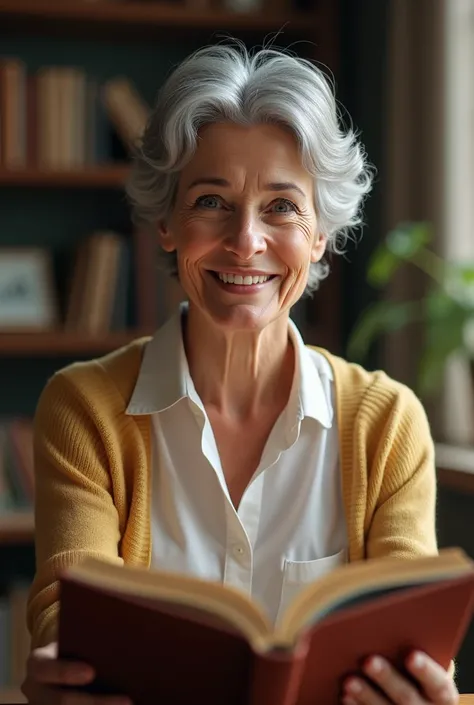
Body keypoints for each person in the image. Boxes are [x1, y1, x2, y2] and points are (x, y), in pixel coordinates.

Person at [22, 42, 459, 705]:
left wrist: (421, 685)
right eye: (211, 201)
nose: (246, 240)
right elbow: (67, 617)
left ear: (319, 235)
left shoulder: (387, 424)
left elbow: (410, 647)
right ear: (166, 221)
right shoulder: (84, 408)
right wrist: (63, 672)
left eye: (282, 206)